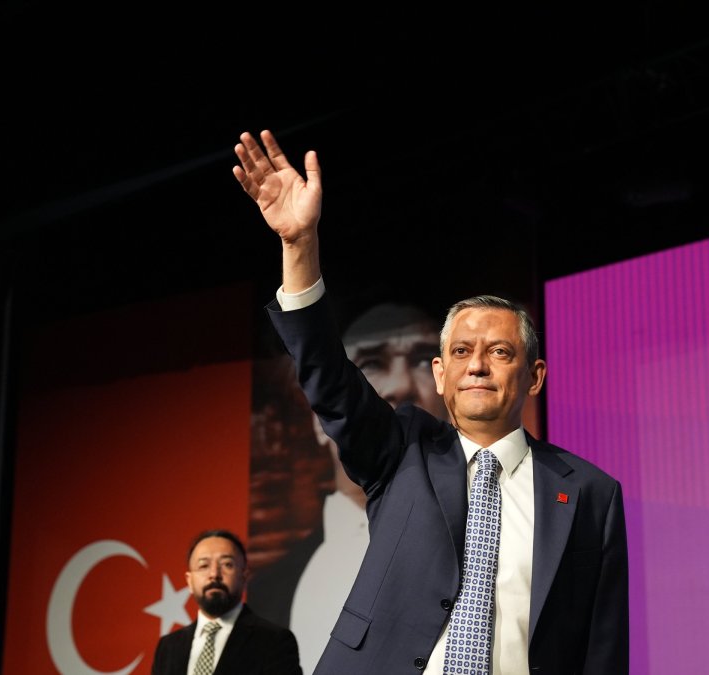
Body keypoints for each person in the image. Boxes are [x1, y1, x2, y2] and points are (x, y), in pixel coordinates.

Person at [232, 129, 629, 674]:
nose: (478, 364)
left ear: (534, 376)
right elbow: (327, 375)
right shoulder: (403, 450)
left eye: (500, 352)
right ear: (441, 376)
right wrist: (299, 246)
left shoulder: (591, 494)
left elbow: (601, 650)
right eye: (462, 351)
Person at [253, 300, 453, 673]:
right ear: (317, 417)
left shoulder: (494, 538)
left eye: (425, 359)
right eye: (372, 363)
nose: (400, 386)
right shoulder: (268, 588)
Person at [150, 530, 301, 675]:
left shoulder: (273, 641)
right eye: (204, 565)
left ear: (244, 576)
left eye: (227, 564)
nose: (214, 574)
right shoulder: (168, 647)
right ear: (189, 581)